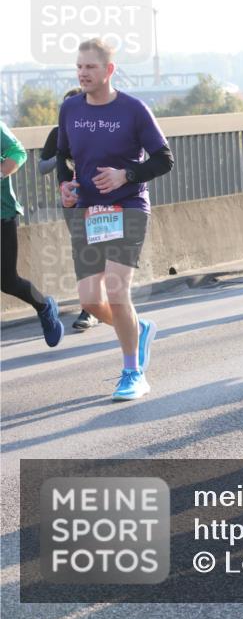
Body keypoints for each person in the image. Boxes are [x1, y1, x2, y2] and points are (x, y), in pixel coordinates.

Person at [57, 38, 174, 400]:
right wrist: (65, 185)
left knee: (116, 289)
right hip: (88, 210)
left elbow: (164, 159)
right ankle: (138, 328)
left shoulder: (133, 109)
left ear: (109, 70)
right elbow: (62, 156)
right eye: (79, 66)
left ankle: (132, 372)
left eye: (90, 67)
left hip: (128, 206)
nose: (83, 73)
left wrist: (127, 175)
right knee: (91, 301)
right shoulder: (70, 108)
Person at [38, 87, 99, 331]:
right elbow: (42, 167)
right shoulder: (57, 133)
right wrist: (61, 155)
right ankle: (89, 308)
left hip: (99, 198)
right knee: (83, 252)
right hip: (71, 202)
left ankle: (103, 301)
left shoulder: (97, 129)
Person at [2, 121, 64, 347]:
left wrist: (1, 171)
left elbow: (18, 152)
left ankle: (44, 306)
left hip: (2, 215)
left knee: (8, 281)